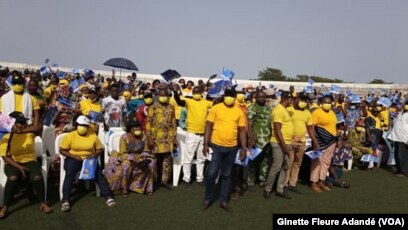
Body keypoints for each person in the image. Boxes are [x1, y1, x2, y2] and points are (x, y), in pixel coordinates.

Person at [0, 112, 53, 219]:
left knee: (37, 177)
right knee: (13, 177)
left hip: (30, 160)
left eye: (24, 121)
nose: (24, 124)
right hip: (13, 162)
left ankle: (43, 203)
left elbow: (39, 128)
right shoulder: (6, 137)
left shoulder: (29, 133)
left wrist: (23, 129)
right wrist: (19, 167)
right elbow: (5, 156)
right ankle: (4, 206)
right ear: (13, 124)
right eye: (20, 122)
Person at [202, 89, 247, 213]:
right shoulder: (216, 108)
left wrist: (243, 147)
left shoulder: (239, 111)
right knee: (212, 174)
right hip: (216, 146)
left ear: (235, 97)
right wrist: (205, 144)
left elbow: (242, 130)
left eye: (232, 96)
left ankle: (223, 201)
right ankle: (208, 199)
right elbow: (209, 126)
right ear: (224, 96)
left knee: (227, 175)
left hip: (232, 148)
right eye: (227, 96)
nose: (229, 98)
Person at [59, 115, 116, 212]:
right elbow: (62, 150)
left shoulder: (93, 136)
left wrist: (93, 155)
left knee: (98, 174)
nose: (83, 127)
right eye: (80, 125)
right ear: (76, 125)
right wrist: (74, 156)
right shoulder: (70, 136)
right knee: (69, 174)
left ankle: (108, 196)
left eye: (85, 125)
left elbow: (99, 149)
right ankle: (65, 200)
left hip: (89, 159)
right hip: (73, 158)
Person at [173, 85, 212, 187]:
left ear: (202, 93)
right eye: (194, 92)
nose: (196, 94)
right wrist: (175, 92)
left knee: (202, 158)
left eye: (198, 92)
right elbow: (179, 102)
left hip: (203, 135)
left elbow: (215, 104)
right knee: (188, 158)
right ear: (192, 93)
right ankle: (186, 179)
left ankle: (200, 178)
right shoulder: (189, 101)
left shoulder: (206, 103)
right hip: (192, 134)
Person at [105, 121, 155, 195]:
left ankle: (148, 189)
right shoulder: (124, 137)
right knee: (126, 165)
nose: (138, 129)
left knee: (151, 163)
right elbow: (123, 152)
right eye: (136, 127)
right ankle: (124, 189)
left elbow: (146, 150)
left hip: (140, 156)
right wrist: (132, 158)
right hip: (127, 156)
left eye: (139, 127)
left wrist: (144, 156)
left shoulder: (144, 137)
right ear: (131, 129)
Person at [285, 95, 319, 194]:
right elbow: (284, 126)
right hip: (290, 140)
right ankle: (284, 184)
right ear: (296, 100)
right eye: (301, 100)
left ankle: (292, 184)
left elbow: (310, 128)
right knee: (288, 163)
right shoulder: (288, 110)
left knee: (297, 164)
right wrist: (291, 136)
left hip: (302, 142)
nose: (303, 102)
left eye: (305, 101)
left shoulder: (307, 113)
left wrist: (315, 141)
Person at [263, 91, 294, 199]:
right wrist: (284, 145)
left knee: (285, 167)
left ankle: (280, 189)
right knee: (276, 166)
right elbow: (277, 129)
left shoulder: (283, 110)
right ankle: (268, 189)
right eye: (291, 99)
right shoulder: (279, 110)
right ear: (288, 99)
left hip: (286, 142)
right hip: (279, 143)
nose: (293, 101)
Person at [146, 89, 177, 190]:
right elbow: (148, 122)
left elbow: (173, 123)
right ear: (158, 96)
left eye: (165, 95)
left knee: (167, 159)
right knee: (154, 159)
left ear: (168, 96)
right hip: (155, 137)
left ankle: (164, 181)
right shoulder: (152, 107)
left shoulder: (171, 107)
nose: (163, 96)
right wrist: (149, 137)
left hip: (168, 137)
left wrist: (175, 137)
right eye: (161, 95)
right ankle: (154, 180)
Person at [310, 95, 338, 192]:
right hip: (320, 141)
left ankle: (321, 181)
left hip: (331, 141)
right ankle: (313, 182)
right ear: (321, 103)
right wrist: (314, 141)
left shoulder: (332, 113)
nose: (327, 104)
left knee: (326, 162)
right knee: (317, 162)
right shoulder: (316, 112)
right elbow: (312, 127)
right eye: (325, 102)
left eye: (329, 102)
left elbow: (334, 126)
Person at [247, 91, 271, 188]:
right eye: (260, 97)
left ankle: (262, 179)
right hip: (257, 139)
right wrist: (251, 138)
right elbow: (249, 125)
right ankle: (250, 180)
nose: (262, 99)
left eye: (264, 97)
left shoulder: (267, 107)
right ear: (255, 98)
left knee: (265, 160)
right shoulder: (253, 108)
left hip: (267, 140)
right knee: (254, 160)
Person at [388, 100, 408, 177]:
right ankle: (399, 170)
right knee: (397, 154)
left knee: (402, 155)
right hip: (396, 137)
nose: (405, 105)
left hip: (404, 138)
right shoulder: (401, 112)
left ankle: (404, 172)